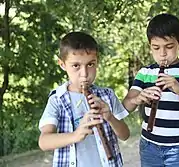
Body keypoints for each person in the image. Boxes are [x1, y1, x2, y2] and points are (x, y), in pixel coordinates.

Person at [122, 13, 179, 167]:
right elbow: (125, 107)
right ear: (150, 47)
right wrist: (138, 98)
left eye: (169, 46)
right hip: (149, 147)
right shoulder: (145, 73)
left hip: (178, 149)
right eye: (156, 47)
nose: (162, 54)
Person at [38, 31, 130, 167]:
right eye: (76, 66)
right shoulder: (57, 99)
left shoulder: (107, 95)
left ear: (97, 61)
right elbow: (44, 142)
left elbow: (125, 135)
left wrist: (110, 117)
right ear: (62, 64)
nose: (85, 74)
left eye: (90, 64)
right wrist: (76, 135)